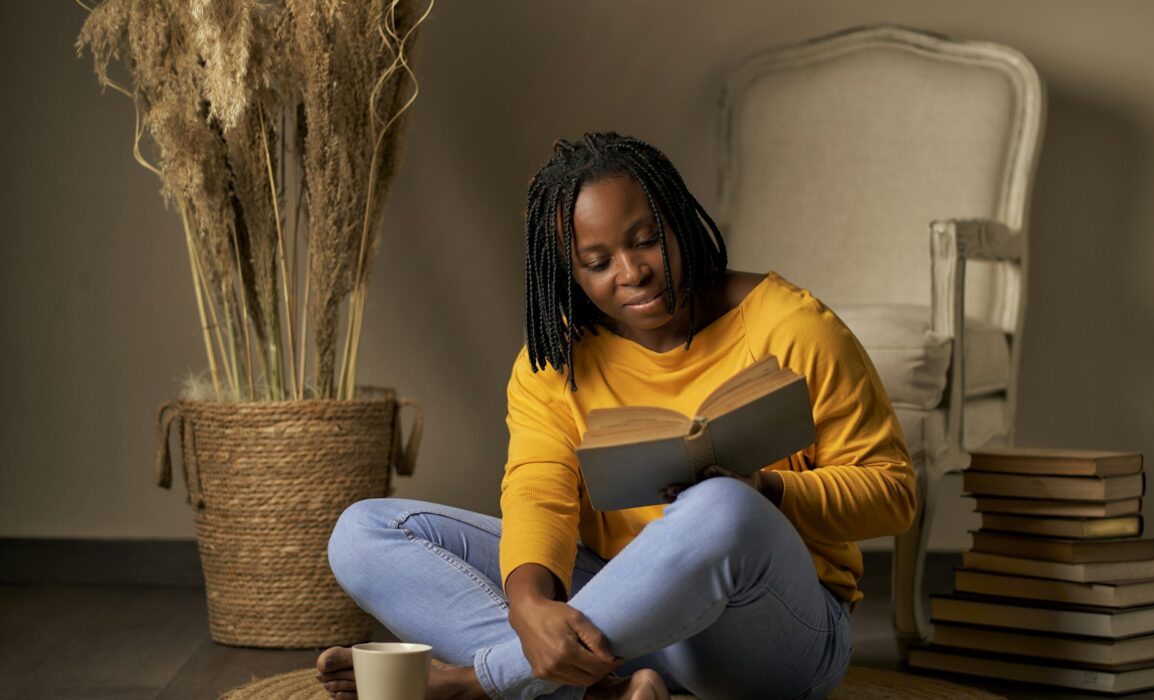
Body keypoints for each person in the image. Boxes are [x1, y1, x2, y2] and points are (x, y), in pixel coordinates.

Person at [315, 132, 916, 700]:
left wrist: (767, 489)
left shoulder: (793, 329)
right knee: (363, 533)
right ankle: (600, 685)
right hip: (622, 617)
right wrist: (528, 604)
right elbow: (537, 492)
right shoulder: (556, 360)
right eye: (597, 262)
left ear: (678, 221)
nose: (631, 273)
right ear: (569, 273)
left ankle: (482, 682)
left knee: (724, 507)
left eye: (646, 239)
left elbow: (893, 496)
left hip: (770, 634)